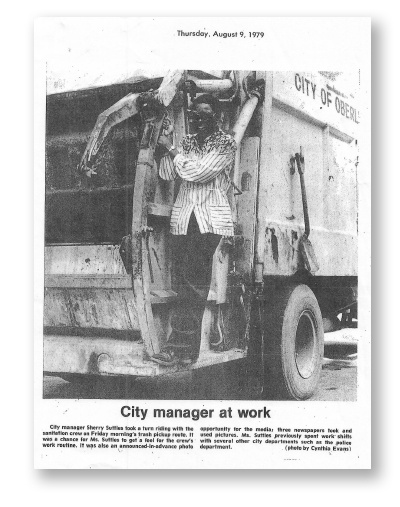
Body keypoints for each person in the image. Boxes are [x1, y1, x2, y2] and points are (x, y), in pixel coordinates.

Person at [150, 94, 237, 365]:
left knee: (193, 285)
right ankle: (185, 353)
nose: (199, 120)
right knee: (183, 285)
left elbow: (198, 173)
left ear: (217, 117)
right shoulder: (187, 142)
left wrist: (172, 150)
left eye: (205, 115)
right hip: (184, 219)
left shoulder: (225, 143)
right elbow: (168, 173)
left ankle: (179, 349)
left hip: (209, 220)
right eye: (195, 116)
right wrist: (163, 146)